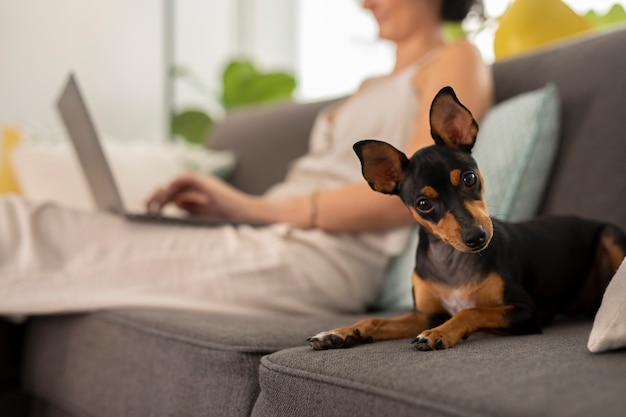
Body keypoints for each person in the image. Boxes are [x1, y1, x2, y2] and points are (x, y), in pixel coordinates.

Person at [0, 0, 492, 317]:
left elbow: (409, 194)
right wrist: (238, 212)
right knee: (56, 229)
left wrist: (248, 208)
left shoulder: (455, 59)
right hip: (271, 231)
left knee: (24, 230)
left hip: (321, 254)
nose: (364, 4)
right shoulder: (368, 85)